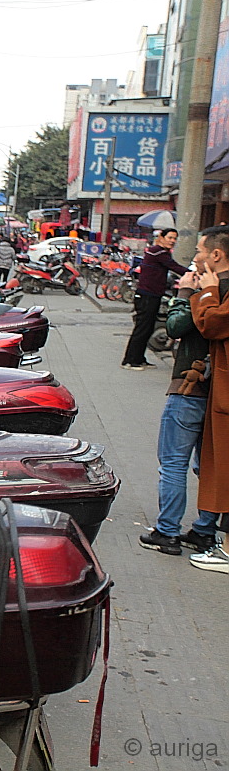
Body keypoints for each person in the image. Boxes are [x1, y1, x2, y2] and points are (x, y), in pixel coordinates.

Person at [139, 261, 220, 556]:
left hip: (189, 390)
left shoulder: (210, 293)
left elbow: (175, 327)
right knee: (209, 466)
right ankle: (204, 530)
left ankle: (168, 531)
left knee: (174, 463)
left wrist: (185, 292)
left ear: (216, 255)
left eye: (199, 255)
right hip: (218, 395)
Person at [188, 226, 229, 572]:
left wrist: (206, 291)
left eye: (200, 250)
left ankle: (227, 551)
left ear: (216, 255)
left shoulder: (220, 288)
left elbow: (211, 324)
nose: (196, 257)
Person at [122, 228, 188, 370]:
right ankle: (130, 361)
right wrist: (193, 274)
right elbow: (175, 267)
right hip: (147, 295)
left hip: (153, 295)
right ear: (161, 237)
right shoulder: (158, 252)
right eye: (170, 237)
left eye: (174, 238)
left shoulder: (160, 252)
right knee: (142, 328)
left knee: (148, 328)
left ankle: (139, 358)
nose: (172, 241)